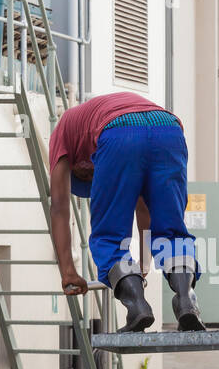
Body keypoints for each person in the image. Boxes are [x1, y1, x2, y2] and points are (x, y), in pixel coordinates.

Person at [48, 91, 205, 333]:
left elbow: (59, 207)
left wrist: (68, 271)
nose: (92, 177)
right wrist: (142, 264)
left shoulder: (63, 131)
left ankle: (137, 306)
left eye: (91, 176)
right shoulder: (92, 117)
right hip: (169, 129)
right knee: (172, 232)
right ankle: (186, 300)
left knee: (108, 236)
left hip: (119, 132)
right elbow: (145, 209)